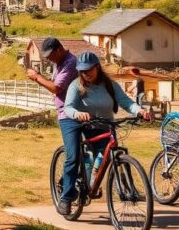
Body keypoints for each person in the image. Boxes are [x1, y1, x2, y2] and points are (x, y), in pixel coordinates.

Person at [60, 52, 151, 215]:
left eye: (88, 70)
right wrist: (77, 114)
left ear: (97, 67)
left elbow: (127, 102)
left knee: (107, 154)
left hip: (101, 123)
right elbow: (68, 108)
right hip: (74, 121)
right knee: (73, 157)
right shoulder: (76, 85)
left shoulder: (110, 85)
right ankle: (66, 197)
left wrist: (140, 111)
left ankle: (99, 184)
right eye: (82, 71)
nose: (85, 74)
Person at [26, 38, 79, 214]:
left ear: (59, 49)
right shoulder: (60, 62)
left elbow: (56, 88)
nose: (49, 60)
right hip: (66, 113)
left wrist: (37, 77)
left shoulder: (70, 64)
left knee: (81, 154)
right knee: (73, 155)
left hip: (73, 113)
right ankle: (66, 195)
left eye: (50, 56)